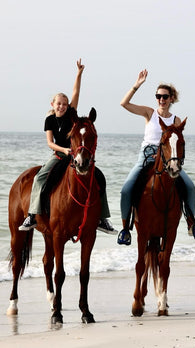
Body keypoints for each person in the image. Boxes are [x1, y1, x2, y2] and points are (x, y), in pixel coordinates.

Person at [19, 59, 116, 234]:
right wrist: (64, 150)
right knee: (39, 178)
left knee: (99, 177)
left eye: (64, 104)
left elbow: (76, 92)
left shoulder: (71, 115)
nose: (62, 106)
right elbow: (50, 143)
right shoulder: (49, 120)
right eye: (59, 104)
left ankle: (102, 219)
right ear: (53, 105)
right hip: (59, 155)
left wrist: (79, 74)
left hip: (76, 156)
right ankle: (32, 216)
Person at [117, 69, 195, 246]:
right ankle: (125, 229)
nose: (161, 100)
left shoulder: (176, 120)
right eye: (158, 96)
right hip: (146, 157)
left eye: (165, 97)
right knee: (126, 189)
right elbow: (124, 104)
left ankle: (192, 223)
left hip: (168, 160)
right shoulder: (150, 113)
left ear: (171, 98)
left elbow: (177, 143)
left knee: (189, 186)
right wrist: (136, 85)